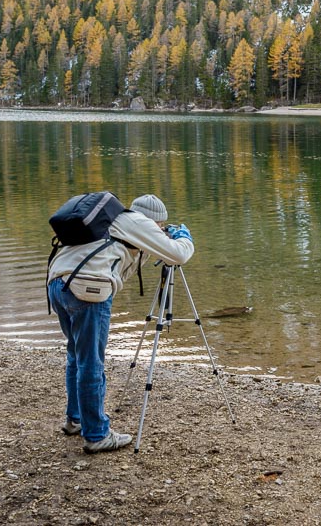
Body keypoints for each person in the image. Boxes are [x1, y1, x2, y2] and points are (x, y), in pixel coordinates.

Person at [47, 194, 194, 453]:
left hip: (58, 285)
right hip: (88, 290)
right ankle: (96, 435)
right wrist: (184, 237)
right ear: (154, 220)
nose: (161, 230)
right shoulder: (139, 223)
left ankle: (75, 419)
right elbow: (179, 255)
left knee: (76, 355)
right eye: (162, 226)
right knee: (91, 362)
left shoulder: (116, 221)